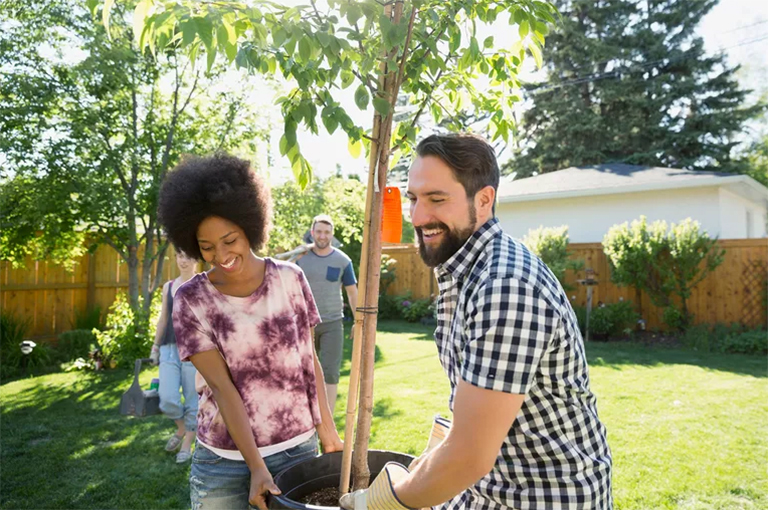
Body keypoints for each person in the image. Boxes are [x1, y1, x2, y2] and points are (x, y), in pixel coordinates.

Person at [341, 134, 612, 509]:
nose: (418, 217)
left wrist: (375, 503)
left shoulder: (505, 286)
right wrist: (439, 449)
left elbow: (469, 455)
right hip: (492, 486)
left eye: (436, 199)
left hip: (544, 496)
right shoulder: (465, 271)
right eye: (414, 199)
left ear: (483, 201)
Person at [157, 153, 343, 510]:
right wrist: (256, 467)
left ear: (250, 226)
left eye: (230, 240)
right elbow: (222, 388)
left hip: (296, 450)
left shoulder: (290, 279)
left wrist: (327, 428)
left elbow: (309, 362)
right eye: (207, 247)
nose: (221, 255)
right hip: (222, 461)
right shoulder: (190, 299)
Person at [296, 214, 358, 410]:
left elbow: (352, 292)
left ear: (332, 234)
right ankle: (305, 416)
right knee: (302, 372)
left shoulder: (343, 261)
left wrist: (358, 322)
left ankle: (328, 421)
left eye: (327, 232)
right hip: (304, 324)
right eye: (319, 231)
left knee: (330, 373)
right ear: (312, 232)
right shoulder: (300, 259)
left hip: (332, 324)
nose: (322, 236)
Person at [149, 250, 199, 463]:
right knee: (167, 398)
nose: (183, 261)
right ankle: (181, 429)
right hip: (169, 347)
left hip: (195, 350)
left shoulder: (203, 285)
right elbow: (163, 319)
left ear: (196, 259)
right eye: (179, 256)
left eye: (188, 256)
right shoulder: (168, 287)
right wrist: (155, 346)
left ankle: (187, 443)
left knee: (192, 399)